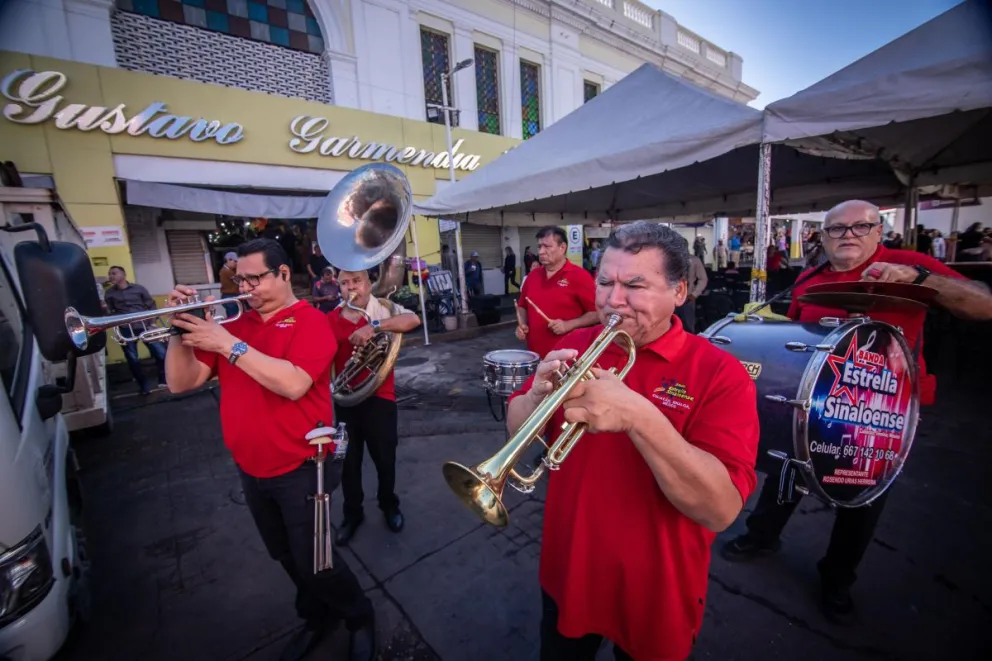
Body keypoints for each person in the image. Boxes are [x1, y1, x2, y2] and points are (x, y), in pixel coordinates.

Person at [722, 200, 992, 623]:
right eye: (836, 229)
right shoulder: (811, 277)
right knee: (788, 470)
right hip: (812, 402)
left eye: (860, 227)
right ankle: (762, 536)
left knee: (863, 495)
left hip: (879, 408)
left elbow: (984, 304)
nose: (848, 235)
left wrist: (918, 277)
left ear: (878, 232)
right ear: (824, 237)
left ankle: (837, 577)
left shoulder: (909, 262)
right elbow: (791, 334)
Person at [506, 221, 760, 661]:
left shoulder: (721, 373)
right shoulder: (578, 343)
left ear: (680, 292)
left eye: (635, 285)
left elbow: (720, 510)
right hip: (570, 569)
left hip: (655, 590)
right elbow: (516, 430)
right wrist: (533, 396)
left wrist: (641, 416)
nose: (612, 300)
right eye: (605, 281)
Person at [163, 238, 376, 661]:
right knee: (283, 554)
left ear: (282, 274)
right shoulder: (235, 326)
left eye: (255, 278)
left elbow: (294, 382)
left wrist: (226, 344)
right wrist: (178, 330)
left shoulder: (310, 321)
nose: (245, 287)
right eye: (240, 279)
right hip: (251, 467)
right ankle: (318, 617)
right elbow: (180, 383)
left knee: (319, 561)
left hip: (302, 468)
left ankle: (359, 616)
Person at [328, 268, 422, 545]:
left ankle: (389, 505)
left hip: (380, 397)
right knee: (347, 462)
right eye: (344, 283)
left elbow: (412, 319)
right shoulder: (331, 319)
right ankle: (352, 513)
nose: (351, 287)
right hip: (345, 401)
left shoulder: (382, 309)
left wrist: (374, 327)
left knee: (385, 459)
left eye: (356, 280)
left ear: (369, 283)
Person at [516, 226, 599, 360]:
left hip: (568, 359)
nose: (541, 252)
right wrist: (522, 324)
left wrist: (568, 325)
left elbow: (597, 314)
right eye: (539, 247)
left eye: (547, 246)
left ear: (562, 247)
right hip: (535, 357)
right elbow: (522, 306)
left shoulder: (579, 276)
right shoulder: (533, 276)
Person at [104, 266, 167, 395]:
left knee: (161, 353)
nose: (111, 276)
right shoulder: (109, 293)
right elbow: (110, 312)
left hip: (145, 326)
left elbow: (151, 305)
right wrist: (106, 311)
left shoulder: (139, 289)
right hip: (126, 329)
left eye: (114, 273)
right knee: (133, 359)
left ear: (123, 275)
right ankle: (144, 386)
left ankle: (163, 379)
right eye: (110, 274)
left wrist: (152, 323)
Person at [674, 253, 707, 333]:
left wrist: (694, 294)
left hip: (688, 298)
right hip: (671, 298)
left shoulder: (695, 260)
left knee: (688, 326)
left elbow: (703, 279)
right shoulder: (670, 258)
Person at [219, 251, 241, 318]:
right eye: (235, 261)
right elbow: (239, 281)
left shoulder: (230, 270)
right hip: (230, 296)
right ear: (228, 260)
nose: (236, 263)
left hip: (231, 296)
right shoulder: (226, 271)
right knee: (233, 317)